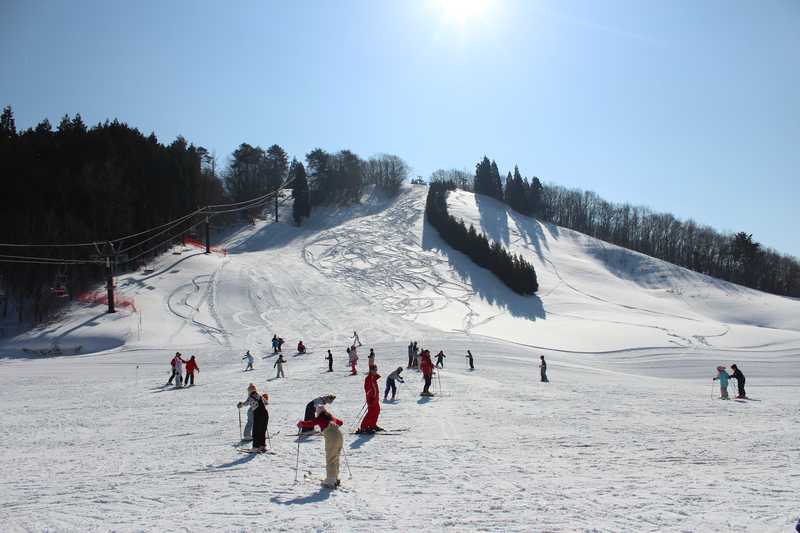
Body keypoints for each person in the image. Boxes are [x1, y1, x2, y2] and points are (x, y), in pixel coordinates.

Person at [297, 406, 344, 489]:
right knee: (335, 457)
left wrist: (302, 423)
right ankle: (335, 478)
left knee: (331, 458)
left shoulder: (320, 418)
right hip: (339, 436)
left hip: (331, 437)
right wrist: (334, 421)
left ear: (318, 412)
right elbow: (341, 423)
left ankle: (330, 480)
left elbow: (311, 423)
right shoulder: (330, 417)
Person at [357, 365, 382, 433]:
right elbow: (367, 390)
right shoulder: (368, 379)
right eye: (375, 370)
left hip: (376, 399)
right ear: (371, 370)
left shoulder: (373, 378)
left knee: (377, 411)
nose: (376, 371)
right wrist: (370, 398)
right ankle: (363, 427)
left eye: (376, 370)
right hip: (372, 399)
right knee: (370, 413)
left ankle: (372, 425)